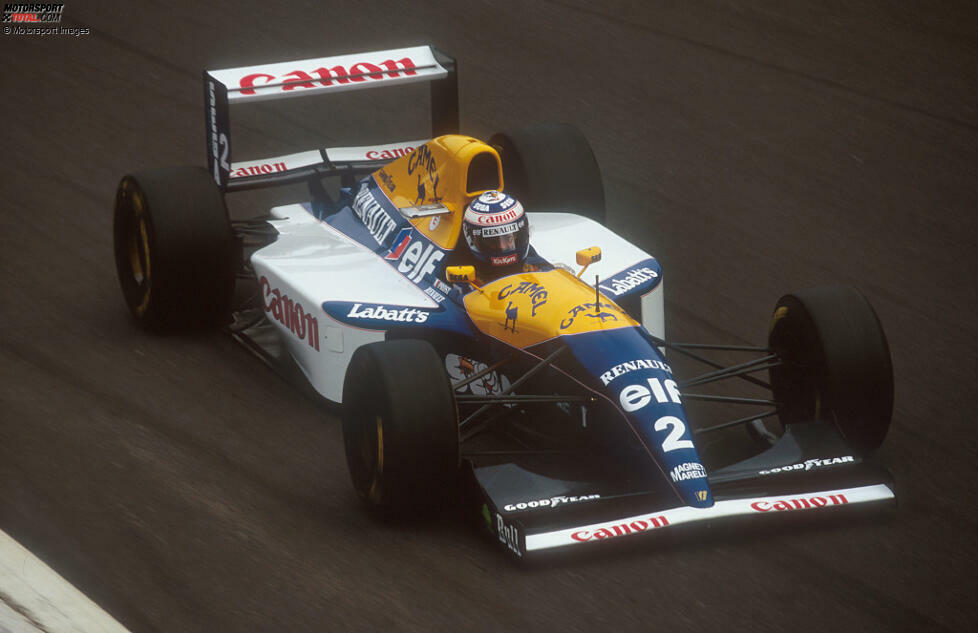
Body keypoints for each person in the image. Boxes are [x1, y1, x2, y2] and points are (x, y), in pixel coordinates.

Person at [461, 190, 548, 283]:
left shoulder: (530, 257)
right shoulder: (460, 268)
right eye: (493, 241)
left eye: (509, 238)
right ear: (473, 241)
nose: (504, 246)